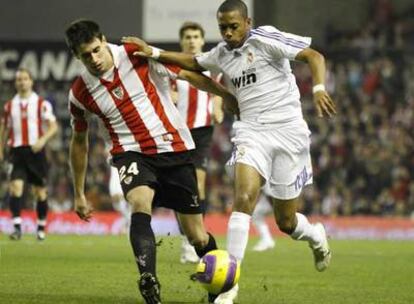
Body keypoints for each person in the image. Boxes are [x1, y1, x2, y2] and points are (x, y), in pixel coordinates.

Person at [122, 0, 336, 302]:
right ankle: (228, 287)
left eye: (234, 26)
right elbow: (195, 62)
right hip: (251, 131)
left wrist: (318, 89)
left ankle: (315, 235)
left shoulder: (265, 39)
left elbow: (313, 55)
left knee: (286, 222)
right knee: (244, 197)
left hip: (289, 132)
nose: (228, 32)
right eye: (223, 27)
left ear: (247, 23)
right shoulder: (222, 53)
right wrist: (154, 52)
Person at [65, 19, 237, 304]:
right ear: (76, 56)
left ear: (104, 39)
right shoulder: (80, 93)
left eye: (96, 50)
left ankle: (218, 292)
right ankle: (148, 278)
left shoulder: (134, 52)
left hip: (174, 147)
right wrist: (79, 193)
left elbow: (185, 74)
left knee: (197, 235)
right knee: (139, 203)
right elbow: (79, 142)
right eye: (86, 55)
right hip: (130, 152)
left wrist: (222, 94)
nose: (94, 59)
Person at [172, 21, 224, 264]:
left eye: (196, 36)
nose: (192, 40)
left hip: (202, 131)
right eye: (188, 37)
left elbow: (216, 96)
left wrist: (218, 109)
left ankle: (195, 240)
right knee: (179, 188)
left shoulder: (212, 67)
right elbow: (167, 95)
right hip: (177, 131)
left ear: (202, 40)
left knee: (199, 186)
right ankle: (187, 240)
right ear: (182, 41)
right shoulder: (172, 66)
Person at [0, 68, 58, 241]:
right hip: (17, 151)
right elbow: (4, 128)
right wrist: (1, 149)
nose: (22, 82)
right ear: (15, 83)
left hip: (36, 151)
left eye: (25, 79)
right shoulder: (9, 106)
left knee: (40, 192)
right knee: (15, 188)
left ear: (31, 81)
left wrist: (42, 140)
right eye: (19, 79)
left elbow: (53, 127)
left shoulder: (42, 104)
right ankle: (17, 228)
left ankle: (40, 227)